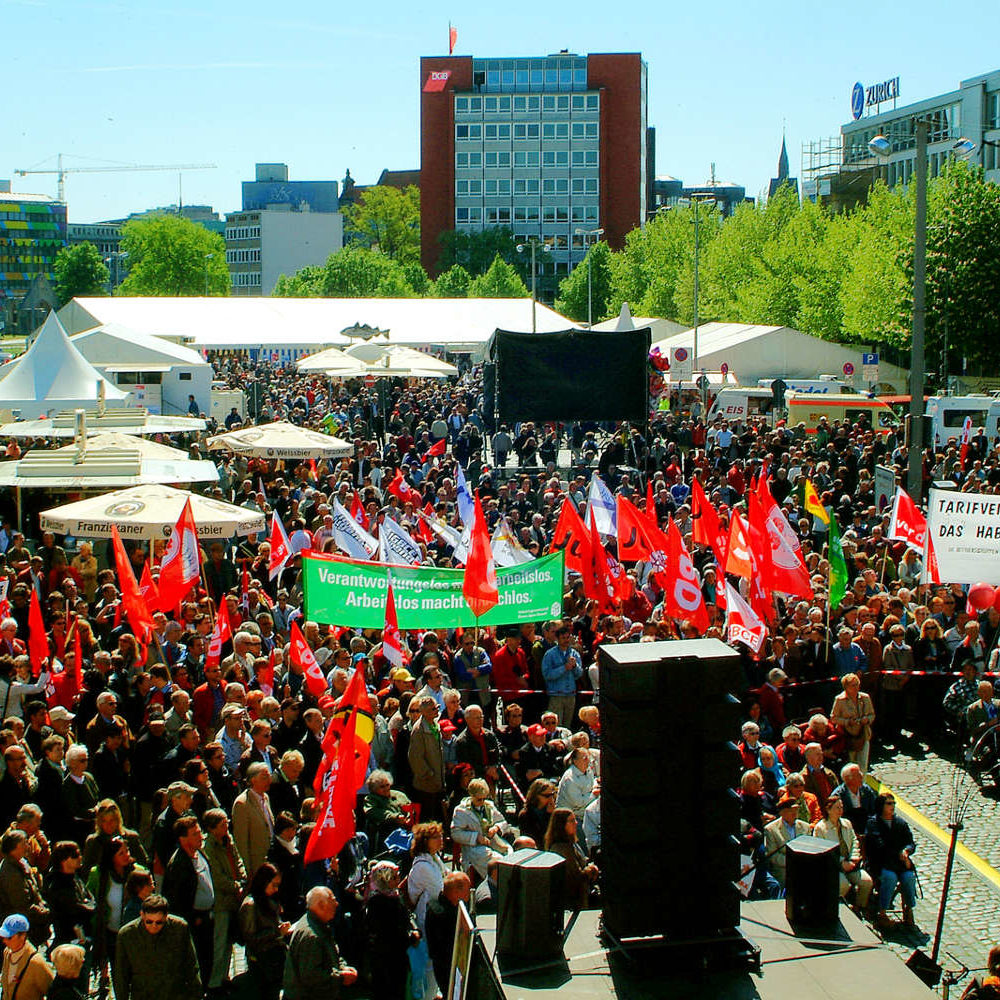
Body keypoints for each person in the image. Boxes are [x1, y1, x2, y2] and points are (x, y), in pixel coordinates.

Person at [113, 894, 202, 1000]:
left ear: (166, 916)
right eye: (149, 922)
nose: (154, 926)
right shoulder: (127, 935)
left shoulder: (179, 929)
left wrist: (196, 995)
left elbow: (191, 965)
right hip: (143, 994)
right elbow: (121, 975)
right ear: (142, 915)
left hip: (174, 993)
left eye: (159, 922)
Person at [161, 816, 215, 985]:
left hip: (207, 918)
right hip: (194, 924)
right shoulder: (178, 864)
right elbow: (176, 901)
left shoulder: (199, 852)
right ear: (183, 839)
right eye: (195, 834)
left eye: (200, 832)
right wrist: (194, 919)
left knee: (208, 961)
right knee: (197, 964)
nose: (200, 837)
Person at [282, 886, 358, 1000]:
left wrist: (342, 967)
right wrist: (341, 978)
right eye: (333, 900)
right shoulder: (312, 935)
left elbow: (330, 955)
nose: (337, 904)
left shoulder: (318, 924)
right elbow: (312, 978)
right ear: (321, 905)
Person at [201, 809, 246, 995]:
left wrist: (242, 878)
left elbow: (239, 861)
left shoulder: (228, 840)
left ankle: (224, 977)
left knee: (229, 943)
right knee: (220, 943)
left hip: (234, 898)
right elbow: (217, 877)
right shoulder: (208, 847)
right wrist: (236, 886)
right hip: (221, 902)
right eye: (222, 825)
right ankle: (214, 983)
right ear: (212, 829)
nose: (226, 827)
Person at [364, 861, 419, 1000]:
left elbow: (406, 914)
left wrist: (414, 928)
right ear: (384, 880)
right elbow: (388, 932)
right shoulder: (377, 902)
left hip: (398, 955)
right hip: (385, 957)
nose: (398, 880)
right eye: (393, 877)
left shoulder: (394, 894)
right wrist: (409, 937)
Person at [865, 792, 918, 928]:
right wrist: (900, 856)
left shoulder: (900, 823)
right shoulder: (873, 823)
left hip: (899, 864)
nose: (892, 806)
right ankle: (882, 913)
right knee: (890, 878)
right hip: (880, 863)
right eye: (889, 803)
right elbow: (880, 846)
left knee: (909, 877)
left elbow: (910, 842)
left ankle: (909, 909)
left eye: (894, 803)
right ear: (881, 805)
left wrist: (906, 851)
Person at [238, 862, 290, 1000]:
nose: (276, 889)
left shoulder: (269, 901)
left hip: (275, 959)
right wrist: (277, 933)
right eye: (274, 885)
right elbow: (250, 938)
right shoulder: (250, 905)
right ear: (264, 881)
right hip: (261, 963)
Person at [812, 794, 873, 910]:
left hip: (851, 864)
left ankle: (859, 907)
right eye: (837, 808)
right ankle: (836, 908)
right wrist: (841, 863)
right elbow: (824, 852)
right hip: (833, 867)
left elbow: (854, 840)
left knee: (867, 881)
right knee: (843, 884)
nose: (840, 811)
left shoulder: (846, 823)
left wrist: (854, 857)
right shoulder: (821, 828)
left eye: (841, 807)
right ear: (828, 809)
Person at [450, 778, 513, 878]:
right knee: (496, 860)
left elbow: (503, 822)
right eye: (479, 799)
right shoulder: (461, 810)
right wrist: (476, 837)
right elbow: (455, 833)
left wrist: (496, 828)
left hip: (492, 841)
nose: (482, 802)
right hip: (474, 848)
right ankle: (500, 882)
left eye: (485, 798)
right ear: (471, 796)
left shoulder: (489, 806)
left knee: (509, 852)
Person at [544, 808, 598, 910]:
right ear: (561, 825)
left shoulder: (571, 844)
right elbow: (576, 876)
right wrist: (591, 870)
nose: (576, 823)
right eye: (572, 821)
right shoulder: (562, 849)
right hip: (574, 903)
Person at [232, 763, 275, 880]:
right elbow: (241, 842)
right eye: (264, 777)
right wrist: (247, 871)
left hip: (270, 859)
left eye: (269, 776)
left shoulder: (266, 798)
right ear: (253, 780)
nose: (269, 780)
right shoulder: (242, 804)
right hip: (256, 865)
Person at [408, 696, 446, 823]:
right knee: (427, 820)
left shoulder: (435, 725)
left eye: (437, 708)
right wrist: (429, 774)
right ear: (423, 712)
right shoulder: (419, 730)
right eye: (432, 709)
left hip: (438, 783)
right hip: (426, 786)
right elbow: (415, 757)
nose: (436, 711)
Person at [0, 912, 54, 1000]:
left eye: (9, 937)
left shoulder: (36, 962)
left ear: (22, 936)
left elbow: (52, 992)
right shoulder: (7, 952)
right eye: (3, 936)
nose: (4, 941)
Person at [830, 673, 876, 773]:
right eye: (853, 685)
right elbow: (833, 718)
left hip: (863, 735)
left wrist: (867, 719)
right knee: (851, 765)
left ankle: (861, 785)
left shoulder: (865, 697)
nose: (856, 687)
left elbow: (872, 715)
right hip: (847, 736)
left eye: (857, 684)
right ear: (846, 687)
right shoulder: (839, 700)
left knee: (863, 765)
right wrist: (847, 722)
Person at [764, 797, 811, 888]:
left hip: (804, 866)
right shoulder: (771, 829)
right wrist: (792, 862)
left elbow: (810, 848)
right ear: (782, 812)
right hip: (784, 868)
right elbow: (772, 855)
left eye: (796, 809)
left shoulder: (805, 827)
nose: (794, 812)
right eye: (790, 810)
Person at [540, 626, 582, 727]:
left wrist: (575, 666)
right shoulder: (550, 654)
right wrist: (564, 668)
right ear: (557, 639)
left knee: (567, 726)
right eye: (563, 638)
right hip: (556, 695)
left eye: (568, 637)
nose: (566, 640)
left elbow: (579, 674)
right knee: (555, 725)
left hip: (571, 695)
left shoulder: (574, 653)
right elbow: (547, 674)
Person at [363, 770, 411, 855]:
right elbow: (371, 811)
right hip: (386, 831)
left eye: (387, 785)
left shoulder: (399, 795)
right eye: (382, 787)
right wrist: (394, 817)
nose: (386, 788)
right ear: (374, 789)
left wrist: (409, 816)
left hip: (407, 828)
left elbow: (410, 807)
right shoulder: (371, 799)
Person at [517, 779, 556, 846]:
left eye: (552, 795)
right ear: (536, 796)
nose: (551, 799)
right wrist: (548, 816)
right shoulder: (526, 815)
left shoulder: (554, 811)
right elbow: (539, 838)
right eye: (547, 796)